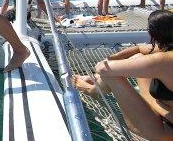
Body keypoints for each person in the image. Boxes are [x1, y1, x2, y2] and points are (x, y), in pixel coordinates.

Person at [72, 10, 173, 140]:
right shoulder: (164, 53)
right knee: (137, 57)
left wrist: (111, 62)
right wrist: (115, 57)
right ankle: (96, 85)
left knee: (111, 74)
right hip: (165, 113)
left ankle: (93, 89)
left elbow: (102, 68)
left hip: (165, 131)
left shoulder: (161, 60)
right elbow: (139, 49)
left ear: (152, 33)